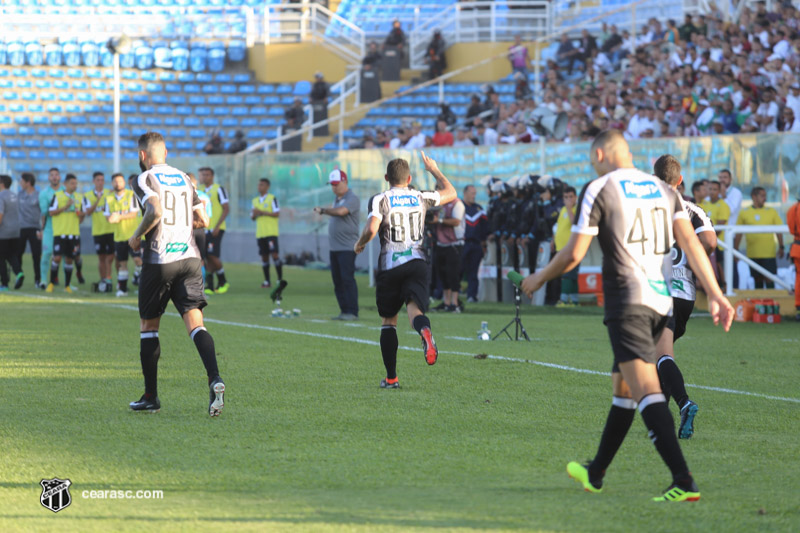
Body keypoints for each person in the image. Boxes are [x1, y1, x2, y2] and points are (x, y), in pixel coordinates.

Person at [521, 130, 733, 502]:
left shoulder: (600, 187)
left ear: (600, 153)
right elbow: (694, 245)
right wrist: (715, 293)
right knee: (623, 388)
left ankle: (683, 480)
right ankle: (596, 472)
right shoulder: (666, 192)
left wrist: (538, 277)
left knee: (647, 391)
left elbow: (573, 254)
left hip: (629, 305)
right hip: (661, 301)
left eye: (592, 159)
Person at [127, 132, 226, 417]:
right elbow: (203, 220)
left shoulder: (143, 178)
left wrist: (137, 236)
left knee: (149, 327)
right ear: (166, 152)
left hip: (160, 259)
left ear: (143, 155)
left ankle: (151, 397)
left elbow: (154, 210)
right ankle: (214, 378)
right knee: (196, 324)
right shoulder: (185, 178)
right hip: (190, 259)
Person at [353, 153, 457, 388]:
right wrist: (434, 170)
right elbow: (451, 193)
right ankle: (425, 331)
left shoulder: (380, 199)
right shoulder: (420, 197)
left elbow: (371, 228)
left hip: (391, 263)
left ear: (386, 178)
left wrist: (360, 243)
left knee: (389, 321)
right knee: (414, 310)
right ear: (409, 178)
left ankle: (391, 378)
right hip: (417, 261)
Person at [652, 154, 717, 440]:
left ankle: (684, 403)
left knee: (660, 355)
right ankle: (660, 423)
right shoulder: (694, 210)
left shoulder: (647, 209)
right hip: (685, 294)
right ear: (680, 181)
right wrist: (691, 259)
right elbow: (710, 243)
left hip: (657, 292)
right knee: (661, 356)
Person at [314, 169, 360, 320]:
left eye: (336, 184)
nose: (334, 187)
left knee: (347, 279)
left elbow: (342, 212)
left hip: (347, 247)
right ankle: (344, 310)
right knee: (338, 281)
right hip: (335, 248)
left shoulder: (352, 198)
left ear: (345, 182)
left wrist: (323, 211)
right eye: (332, 185)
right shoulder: (337, 199)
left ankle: (352, 311)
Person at [733, 187, 784, 289]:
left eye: (765, 195)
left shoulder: (771, 211)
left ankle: (771, 303)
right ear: (754, 197)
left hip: (769, 253)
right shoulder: (744, 212)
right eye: (762, 196)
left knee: (769, 278)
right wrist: (735, 250)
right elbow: (738, 232)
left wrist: (781, 246)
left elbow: (779, 230)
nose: (765, 198)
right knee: (757, 279)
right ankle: (759, 304)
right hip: (753, 253)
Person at [105, 172, 142, 297]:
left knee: (138, 260)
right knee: (122, 264)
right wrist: (110, 218)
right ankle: (122, 289)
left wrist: (119, 217)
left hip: (133, 235)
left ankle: (141, 285)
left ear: (124, 183)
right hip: (119, 236)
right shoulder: (109, 198)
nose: (118, 183)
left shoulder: (131, 195)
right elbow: (107, 216)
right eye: (115, 181)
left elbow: (133, 213)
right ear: (112, 183)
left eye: (120, 181)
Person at [46, 173, 84, 293]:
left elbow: (81, 218)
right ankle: (51, 283)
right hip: (60, 233)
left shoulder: (79, 197)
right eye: (72, 183)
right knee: (56, 258)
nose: (75, 185)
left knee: (69, 259)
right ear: (65, 184)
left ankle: (67, 285)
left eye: (76, 183)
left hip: (73, 233)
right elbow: (51, 212)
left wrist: (80, 214)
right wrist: (65, 206)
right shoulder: (57, 196)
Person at [433, 185, 465, 312]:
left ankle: (455, 303)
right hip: (441, 243)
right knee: (443, 274)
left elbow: (456, 221)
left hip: (454, 244)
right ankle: (446, 302)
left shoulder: (457, 204)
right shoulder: (439, 204)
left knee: (453, 274)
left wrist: (439, 220)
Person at [199, 167, 230, 294]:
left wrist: (217, 226)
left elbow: (226, 208)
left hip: (216, 228)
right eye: (202, 175)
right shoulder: (199, 190)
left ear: (212, 176)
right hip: (203, 229)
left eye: (207, 175)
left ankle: (223, 280)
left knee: (213, 255)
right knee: (206, 256)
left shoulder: (219, 189)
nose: (205, 177)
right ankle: (210, 285)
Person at [82, 171, 115, 293]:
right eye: (98, 180)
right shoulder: (88, 195)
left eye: (102, 180)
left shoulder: (110, 193)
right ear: (93, 181)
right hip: (98, 231)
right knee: (101, 257)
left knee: (111, 256)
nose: (100, 182)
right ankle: (103, 280)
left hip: (111, 230)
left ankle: (108, 279)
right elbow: (88, 212)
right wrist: (98, 200)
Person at [251, 178, 284, 292]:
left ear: (267, 187)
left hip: (271, 232)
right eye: (259, 185)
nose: (260, 187)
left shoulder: (272, 199)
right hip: (260, 233)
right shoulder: (255, 200)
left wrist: (261, 212)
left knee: (274, 255)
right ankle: (267, 281)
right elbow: (253, 217)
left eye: (262, 185)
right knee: (264, 257)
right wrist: (254, 215)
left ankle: (280, 279)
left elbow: (277, 213)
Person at [461, 184, 488, 303]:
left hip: (476, 244)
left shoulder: (479, 209)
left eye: (475, 193)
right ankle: (453, 295)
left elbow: (485, 227)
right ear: (465, 193)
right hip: (462, 243)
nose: (474, 196)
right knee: (458, 270)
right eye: (472, 193)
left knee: (473, 271)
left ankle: (471, 295)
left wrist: (484, 243)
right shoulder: (459, 207)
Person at [38, 167, 63, 289]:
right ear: (49, 177)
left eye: (56, 174)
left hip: (64, 227)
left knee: (65, 255)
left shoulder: (65, 191)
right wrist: (41, 229)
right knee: (47, 253)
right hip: (49, 228)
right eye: (52, 175)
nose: (54, 177)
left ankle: (65, 283)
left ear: (60, 177)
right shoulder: (44, 193)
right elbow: (45, 212)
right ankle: (43, 280)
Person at [16, 172, 41, 288]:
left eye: (22, 181)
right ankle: (19, 276)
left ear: (28, 183)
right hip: (21, 228)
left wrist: (42, 229)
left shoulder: (38, 195)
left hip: (34, 228)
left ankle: (38, 280)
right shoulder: (19, 195)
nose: (20, 183)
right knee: (17, 254)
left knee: (36, 255)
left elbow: (43, 214)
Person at [554, 186, 578, 305]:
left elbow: (575, 223)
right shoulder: (563, 209)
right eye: (566, 197)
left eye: (570, 197)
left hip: (571, 248)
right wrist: (553, 240)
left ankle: (563, 300)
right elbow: (559, 227)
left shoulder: (577, 209)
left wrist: (569, 209)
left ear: (576, 197)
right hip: (561, 247)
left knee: (567, 275)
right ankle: (574, 301)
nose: (568, 199)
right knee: (569, 276)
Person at [0, 174, 23, 290]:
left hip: (3, 231)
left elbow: (0, 214)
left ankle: (4, 283)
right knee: (11, 254)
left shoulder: (1, 196)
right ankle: (19, 273)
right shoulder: (15, 195)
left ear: (2, 184)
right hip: (15, 231)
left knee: (1, 257)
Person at [187, 173, 211, 285]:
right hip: (201, 230)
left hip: (187, 230)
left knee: (185, 259)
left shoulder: (183, 194)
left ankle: (188, 286)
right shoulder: (204, 196)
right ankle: (201, 287)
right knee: (200, 260)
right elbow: (208, 216)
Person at [787, 191, 800, 321]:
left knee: (799, 280)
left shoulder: (792, 209)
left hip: (796, 247)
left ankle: (799, 307)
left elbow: (791, 229)